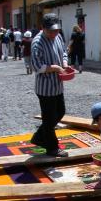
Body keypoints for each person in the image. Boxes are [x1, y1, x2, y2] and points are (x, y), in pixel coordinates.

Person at [30, 13, 69, 157]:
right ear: (43, 28)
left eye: (56, 30)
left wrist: (64, 63)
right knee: (49, 118)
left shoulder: (58, 36)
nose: (54, 33)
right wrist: (56, 68)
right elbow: (36, 66)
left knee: (60, 112)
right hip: (45, 87)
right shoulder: (37, 42)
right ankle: (52, 148)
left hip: (57, 85)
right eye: (51, 31)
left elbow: (63, 52)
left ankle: (39, 137)